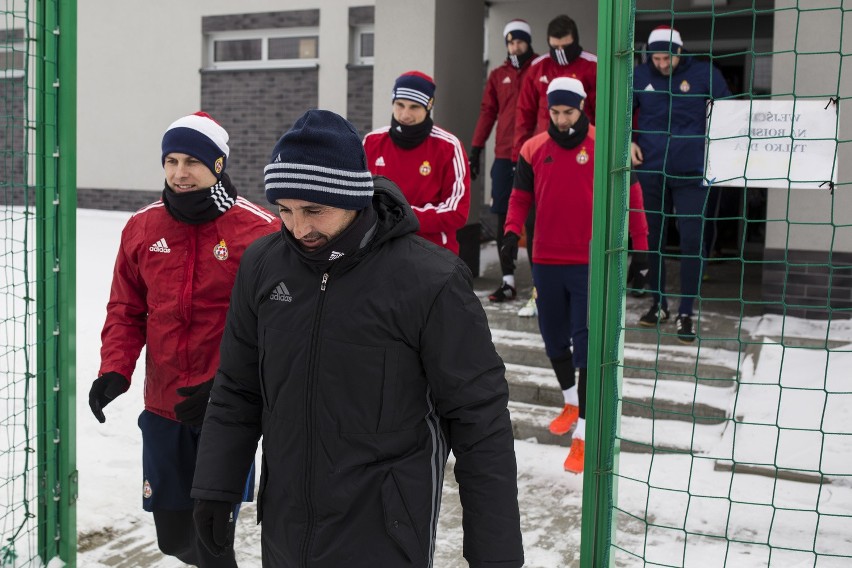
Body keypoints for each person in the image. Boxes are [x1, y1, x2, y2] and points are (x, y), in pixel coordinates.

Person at [191, 109, 524, 567]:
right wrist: (216, 486)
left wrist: (496, 552)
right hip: (287, 529)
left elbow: (480, 420)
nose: (298, 227)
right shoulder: (264, 265)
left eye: (314, 210)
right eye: (284, 210)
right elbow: (237, 387)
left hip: (385, 535)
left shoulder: (430, 280)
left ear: (353, 197)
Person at [88, 112, 279, 566]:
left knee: (213, 536)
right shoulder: (142, 228)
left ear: (217, 165)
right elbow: (126, 308)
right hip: (163, 406)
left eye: (192, 160)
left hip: (226, 409)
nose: (179, 172)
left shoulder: (261, 232)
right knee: (174, 539)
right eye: (170, 160)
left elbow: (275, 327)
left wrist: (229, 385)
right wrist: (114, 369)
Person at [502, 78, 649, 474]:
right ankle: (570, 401)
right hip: (545, 260)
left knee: (584, 344)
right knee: (553, 338)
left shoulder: (605, 145)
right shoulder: (533, 149)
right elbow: (520, 197)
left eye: (568, 112)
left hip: (588, 263)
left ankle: (582, 435)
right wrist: (511, 231)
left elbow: (631, 197)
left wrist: (642, 245)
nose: (562, 119)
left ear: (583, 107)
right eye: (555, 112)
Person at [631, 26, 731, 343]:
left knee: (691, 240)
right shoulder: (639, 74)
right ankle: (658, 304)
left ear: (680, 52)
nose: (661, 64)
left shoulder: (706, 73)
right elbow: (620, 113)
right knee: (654, 239)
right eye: (656, 58)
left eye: (666, 57)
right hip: (652, 171)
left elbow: (730, 114)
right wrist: (629, 140)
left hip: (692, 174)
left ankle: (686, 311)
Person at [511, 14, 598, 317]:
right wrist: (518, 157)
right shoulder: (537, 68)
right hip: (541, 161)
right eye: (555, 47)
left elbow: (603, 112)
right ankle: (540, 292)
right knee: (536, 228)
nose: (561, 52)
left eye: (566, 46)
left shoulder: (592, 66)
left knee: (581, 229)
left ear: (575, 41)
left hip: (582, 160)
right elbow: (524, 114)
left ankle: (585, 293)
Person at [363, 70, 471, 255]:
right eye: (399, 105)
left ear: (428, 107)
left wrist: (399, 217)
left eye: (414, 107)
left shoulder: (449, 147)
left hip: (433, 253)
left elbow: (457, 212)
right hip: (380, 253)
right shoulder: (372, 142)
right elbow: (357, 197)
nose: (405, 114)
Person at [469, 19, 537, 302]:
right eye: (510, 42)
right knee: (502, 217)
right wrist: (476, 148)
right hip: (503, 156)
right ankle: (507, 280)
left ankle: (539, 284)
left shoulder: (539, 69)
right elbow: (488, 113)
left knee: (534, 219)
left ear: (528, 42)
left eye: (519, 41)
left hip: (533, 156)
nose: (514, 46)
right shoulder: (498, 75)